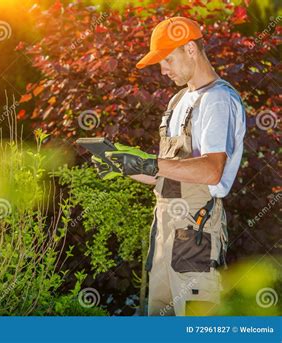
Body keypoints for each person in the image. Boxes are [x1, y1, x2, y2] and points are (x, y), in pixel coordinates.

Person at [98, 17, 246, 316]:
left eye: (167, 59)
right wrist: (123, 164)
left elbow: (210, 172)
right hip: (164, 233)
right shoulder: (179, 100)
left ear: (190, 48)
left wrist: (150, 161)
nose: (163, 70)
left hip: (195, 233)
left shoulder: (218, 99)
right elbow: (168, 177)